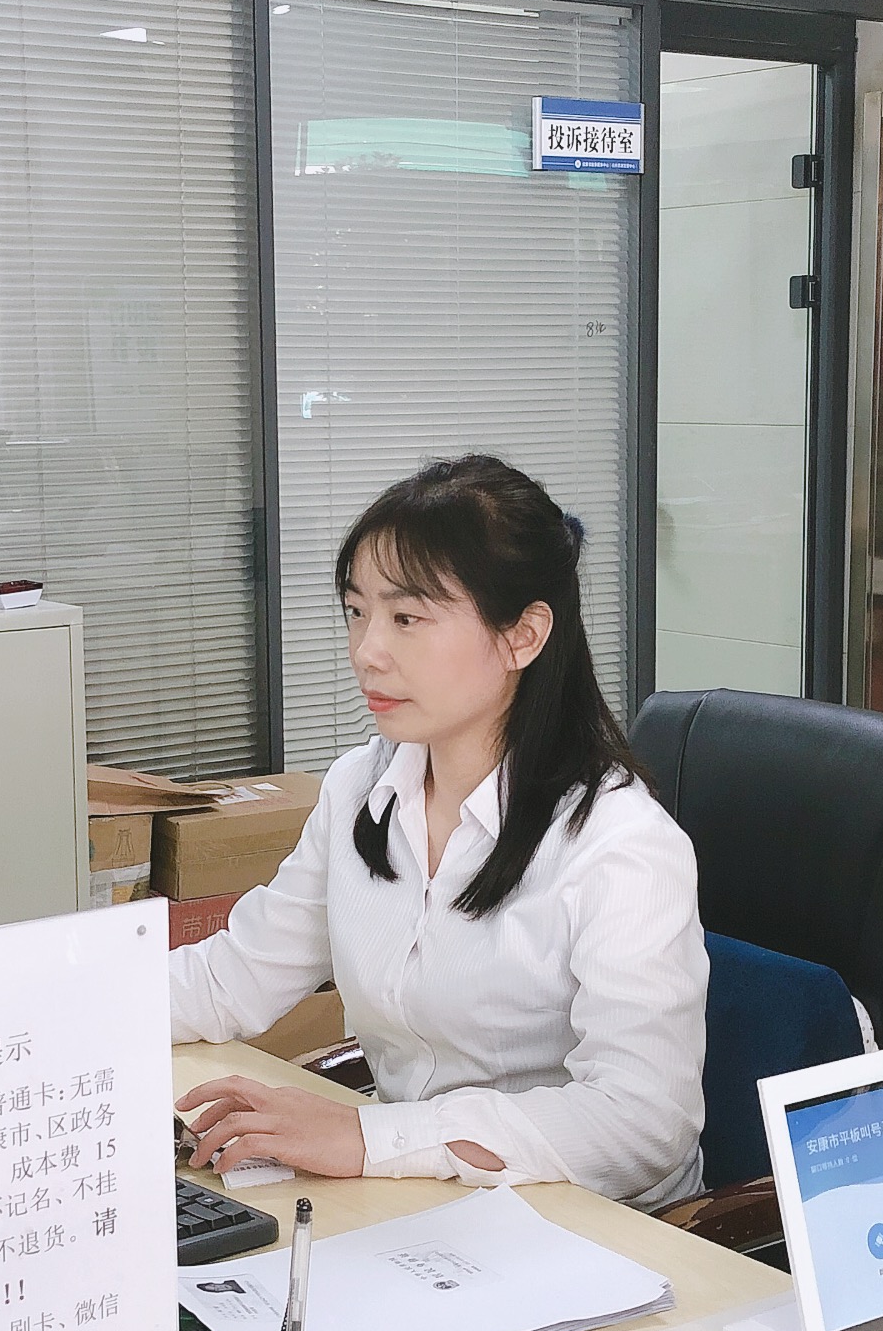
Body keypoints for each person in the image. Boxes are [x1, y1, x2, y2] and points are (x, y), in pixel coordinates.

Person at [171, 455, 708, 1210]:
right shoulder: (360, 789)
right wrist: (41, 1015)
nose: (368, 651)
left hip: (585, 1227)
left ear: (524, 636)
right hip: (419, 1201)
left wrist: (373, 1139)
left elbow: (642, 1126)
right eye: (357, 612)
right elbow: (232, 977)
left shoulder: (620, 844)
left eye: (407, 618)